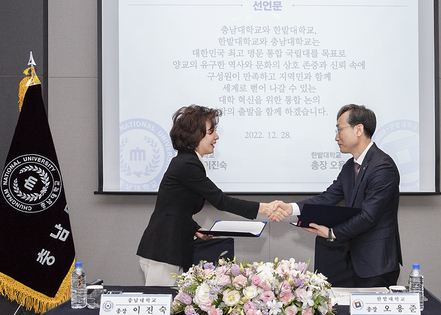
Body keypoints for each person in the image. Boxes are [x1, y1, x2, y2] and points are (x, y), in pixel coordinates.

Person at [137, 105, 284, 286]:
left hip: (170, 249)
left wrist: (195, 228)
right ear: (194, 134)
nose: (216, 137)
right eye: (211, 131)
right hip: (163, 250)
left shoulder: (187, 161)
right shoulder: (187, 164)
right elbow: (220, 201)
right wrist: (265, 208)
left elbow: (175, 207)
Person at [278, 104, 402, 287]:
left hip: (376, 264)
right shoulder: (349, 166)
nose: (337, 137)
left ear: (359, 129)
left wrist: (331, 233)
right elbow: (328, 198)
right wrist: (290, 208)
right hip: (353, 261)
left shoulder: (382, 166)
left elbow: (368, 217)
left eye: (340, 130)